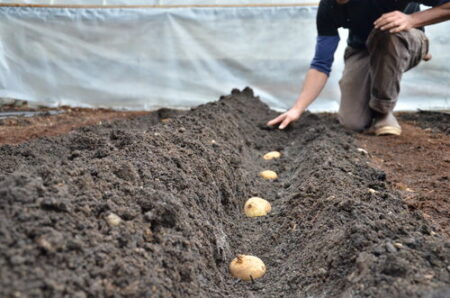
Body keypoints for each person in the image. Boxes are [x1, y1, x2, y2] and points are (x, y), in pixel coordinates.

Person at [267, 0, 450, 135]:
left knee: (387, 30)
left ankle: (382, 112)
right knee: (352, 122)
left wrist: (412, 19)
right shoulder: (328, 7)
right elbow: (321, 63)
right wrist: (297, 109)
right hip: (362, 49)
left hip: (403, 40)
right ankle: (373, 105)